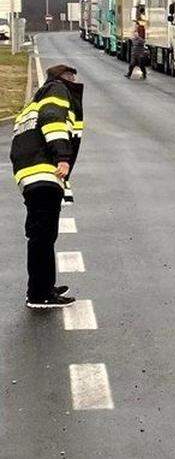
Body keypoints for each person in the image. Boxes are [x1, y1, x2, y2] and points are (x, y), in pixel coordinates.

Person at [10, 64, 84, 308]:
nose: (74, 79)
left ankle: (43, 286)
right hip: (44, 174)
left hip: (31, 175)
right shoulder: (57, 91)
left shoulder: (34, 102)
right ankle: (40, 295)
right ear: (62, 78)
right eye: (71, 76)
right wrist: (62, 157)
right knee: (42, 236)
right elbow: (54, 122)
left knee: (41, 235)